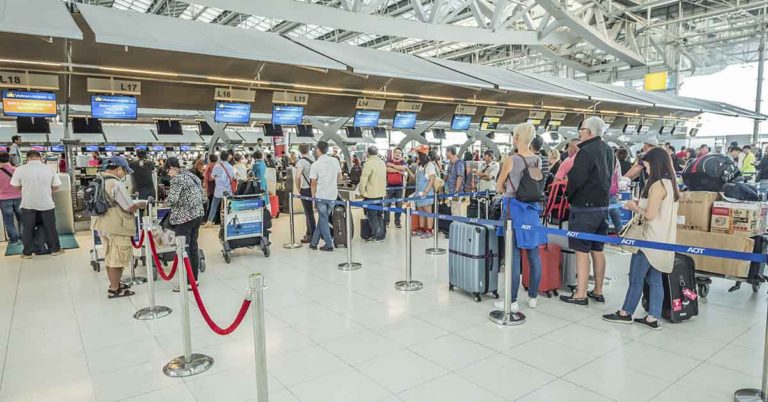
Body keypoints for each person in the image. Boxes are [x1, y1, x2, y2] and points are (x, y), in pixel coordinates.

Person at [603, 148, 679, 330]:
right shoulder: (672, 185)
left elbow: (650, 215)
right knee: (655, 279)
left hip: (648, 240)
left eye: (646, 165)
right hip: (664, 241)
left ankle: (625, 313)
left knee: (636, 278)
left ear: (655, 164)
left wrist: (633, 207)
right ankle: (653, 317)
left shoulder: (657, 185)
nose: (646, 170)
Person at [560, 116, 614, 306]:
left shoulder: (585, 152)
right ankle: (598, 290)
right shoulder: (608, 150)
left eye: (581, 129)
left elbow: (575, 179)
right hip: (603, 206)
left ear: (589, 132)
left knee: (581, 250)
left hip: (584, 208)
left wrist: (569, 196)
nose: (579, 133)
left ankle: (580, 293)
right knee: (598, 249)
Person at [493, 122, 543, 312]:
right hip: (532, 211)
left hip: (512, 210)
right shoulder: (536, 160)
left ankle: (512, 301)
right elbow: (535, 186)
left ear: (516, 138)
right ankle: (533, 297)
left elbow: (498, 186)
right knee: (533, 254)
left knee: (513, 256)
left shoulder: (511, 160)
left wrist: (505, 188)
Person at [91, 157, 146, 298]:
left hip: (101, 224)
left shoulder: (99, 179)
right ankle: (115, 289)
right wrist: (139, 205)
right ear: (119, 169)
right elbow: (128, 206)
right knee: (117, 258)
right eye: (125, 171)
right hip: (116, 225)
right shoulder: (116, 183)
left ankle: (114, 284)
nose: (125, 175)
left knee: (109, 256)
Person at [10, 150, 64, 258]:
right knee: (50, 228)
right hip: (47, 204)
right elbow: (56, 187)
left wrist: (26, 190)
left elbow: (15, 187)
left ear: (28, 158)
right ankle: (55, 249)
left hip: (28, 204)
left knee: (27, 229)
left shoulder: (20, 169)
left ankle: (27, 253)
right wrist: (46, 191)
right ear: (39, 157)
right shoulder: (49, 168)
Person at [165, 157, 205, 291]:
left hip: (184, 217)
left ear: (171, 168)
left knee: (183, 248)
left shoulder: (177, 179)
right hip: (197, 214)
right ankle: (194, 280)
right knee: (193, 246)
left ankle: (186, 282)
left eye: (167, 171)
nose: (168, 174)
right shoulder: (191, 176)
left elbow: (172, 199)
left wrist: (165, 201)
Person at [309, 141, 340, 251]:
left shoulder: (315, 164)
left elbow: (313, 183)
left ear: (318, 150)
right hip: (332, 195)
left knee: (323, 219)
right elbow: (339, 177)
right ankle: (314, 243)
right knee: (323, 219)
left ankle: (329, 244)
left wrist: (313, 199)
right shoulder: (335, 161)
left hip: (321, 195)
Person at [359, 146, 386, 242]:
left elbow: (363, 179)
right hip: (381, 193)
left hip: (371, 194)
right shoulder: (382, 163)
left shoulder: (368, 163)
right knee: (379, 214)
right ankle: (381, 234)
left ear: (368, 153)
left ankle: (377, 235)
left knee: (372, 215)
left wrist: (362, 192)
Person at [203, 150, 235, 228]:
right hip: (228, 190)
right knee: (228, 206)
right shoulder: (231, 167)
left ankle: (210, 221)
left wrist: (218, 177)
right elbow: (233, 177)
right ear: (227, 158)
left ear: (220, 157)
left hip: (218, 190)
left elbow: (212, 177)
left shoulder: (217, 166)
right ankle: (229, 220)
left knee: (214, 205)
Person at [413, 145, 437, 238]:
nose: (416, 156)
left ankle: (429, 231)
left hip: (426, 193)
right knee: (420, 211)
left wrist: (426, 191)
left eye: (417, 154)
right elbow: (416, 178)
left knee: (428, 212)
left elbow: (432, 178)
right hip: (418, 192)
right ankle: (422, 229)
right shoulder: (419, 166)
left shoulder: (429, 165)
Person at [294, 145, 315, 243]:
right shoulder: (313, 159)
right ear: (308, 149)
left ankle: (313, 235)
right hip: (315, 188)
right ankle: (309, 233)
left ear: (299, 150)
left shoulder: (301, 161)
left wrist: (298, 188)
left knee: (308, 213)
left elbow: (298, 176)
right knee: (311, 212)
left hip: (306, 189)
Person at [0, 152, 22, 245]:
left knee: (8, 220)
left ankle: (14, 240)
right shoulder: (17, 170)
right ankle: (24, 237)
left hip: (4, 199)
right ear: (9, 159)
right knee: (22, 219)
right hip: (18, 197)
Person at [385, 147, 408, 228]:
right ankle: (386, 222)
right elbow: (387, 169)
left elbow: (403, 168)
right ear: (393, 153)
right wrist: (398, 171)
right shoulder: (388, 161)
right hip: (388, 187)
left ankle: (397, 222)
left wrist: (392, 166)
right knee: (387, 204)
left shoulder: (402, 162)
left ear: (401, 155)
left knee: (399, 205)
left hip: (399, 187)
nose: (398, 154)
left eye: (399, 153)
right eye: (396, 152)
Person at [445, 146, 467, 216]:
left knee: (459, 213)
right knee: (454, 212)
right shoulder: (450, 164)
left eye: (446, 152)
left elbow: (460, 177)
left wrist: (456, 191)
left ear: (450, 152)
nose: (445, 154)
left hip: (457, 194)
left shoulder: (459, 163)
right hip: (451, 192)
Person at [203, 154, 218, 222]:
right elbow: (210, 179)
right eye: (214, 162)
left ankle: (211, 220)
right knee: (212, 205)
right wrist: (217, 175)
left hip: (212, 189)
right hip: (211, 189)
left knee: (212, 204)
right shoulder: (210, 167)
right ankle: (209, 220)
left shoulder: (210, 167)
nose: (215, 163)